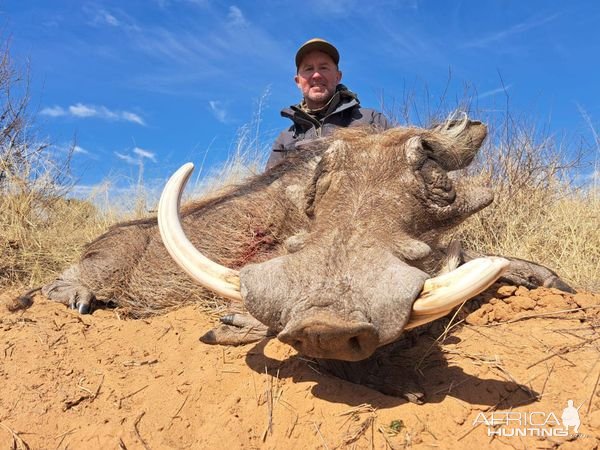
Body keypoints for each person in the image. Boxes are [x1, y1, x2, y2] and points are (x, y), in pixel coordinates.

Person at [266, 38, 391, 170]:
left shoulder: (371, 120)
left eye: (323, 68)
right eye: (309, 69)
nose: (316, 75)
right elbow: (267, 189)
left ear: (338, 76)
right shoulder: (284, 140)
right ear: (298, 81)